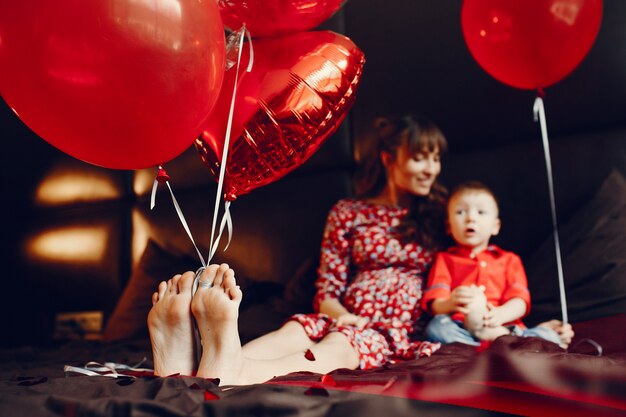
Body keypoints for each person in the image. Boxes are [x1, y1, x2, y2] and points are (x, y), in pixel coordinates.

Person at [148, 114, 450, 384]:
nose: (431, 170)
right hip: (342, 314)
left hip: (392, 327)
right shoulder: (348, 212)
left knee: (340, 346)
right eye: (420, 158)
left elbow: (467, 264)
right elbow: (328, 290)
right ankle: (202, 365)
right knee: (293, 331)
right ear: (388, 159)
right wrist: (344, 315)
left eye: (436, 159)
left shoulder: (440, 217)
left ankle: (228, 371)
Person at [421, 181, 574, 348]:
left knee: (550, 336)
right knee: (435, 328)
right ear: (449, 227)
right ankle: (500, 346)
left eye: (480, 212)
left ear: (495, 226)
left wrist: (501, 314)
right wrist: (450, 303)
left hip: (502, 326)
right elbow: (435, 304)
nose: (470, 218)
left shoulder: (509, 260)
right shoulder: (444, 259)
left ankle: (503, 341)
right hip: (461, 326)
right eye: (460, 212)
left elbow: (520, 301)